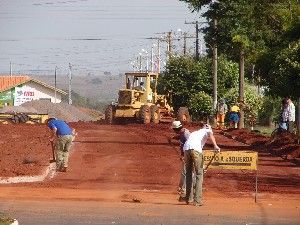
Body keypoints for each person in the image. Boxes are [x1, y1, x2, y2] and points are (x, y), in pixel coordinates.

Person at [183, 123, 220, 206]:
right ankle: (197, 200)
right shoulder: (208, 130)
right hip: (195, 149)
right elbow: (210, 134)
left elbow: (188, 142)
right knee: (199, 174)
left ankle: (188, 198)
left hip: (186, 149)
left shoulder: (195, 133)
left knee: (189, 173)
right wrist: (215, 146)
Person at [169, 120, 190, 202]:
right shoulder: (183, 132)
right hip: (186, 154)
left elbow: (188, 145)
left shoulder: (186, 134)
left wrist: (184, 156)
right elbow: (180, 137)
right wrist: (174, 137)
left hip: (188, 154)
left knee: (185, 172)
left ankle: (184, 191)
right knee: (184, 172)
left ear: (176, 129)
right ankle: (182, 188)